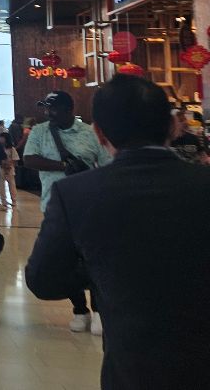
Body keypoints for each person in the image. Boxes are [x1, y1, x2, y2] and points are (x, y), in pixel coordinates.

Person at [26, 75, 210, 389]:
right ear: (172, 126)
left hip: (132, 365)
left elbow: (43, 280)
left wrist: (100, 268)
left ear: (99, 133)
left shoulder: (75, 195)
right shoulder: (202, 184)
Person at [23, 89, 113, 333]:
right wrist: (63, 165)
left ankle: (98, 310)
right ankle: (79, 309)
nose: (48, 113)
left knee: (91, 258)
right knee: (65, 260)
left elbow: (106, 163)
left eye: (53, 108)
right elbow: (29, 159)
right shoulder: (40, 132)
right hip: (54, 206)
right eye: (46, 108)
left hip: (88, 204)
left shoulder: (89, 133)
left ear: (69, 110)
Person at [0, 132, 19, 207]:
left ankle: (14, 200)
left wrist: (9, 164)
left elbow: (15, 159)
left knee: (12, 184)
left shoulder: (11, 148)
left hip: (10, 168)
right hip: (0, 167)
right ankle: (3, 201)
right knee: (1, 185)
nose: (0, 139)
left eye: (2, 137)